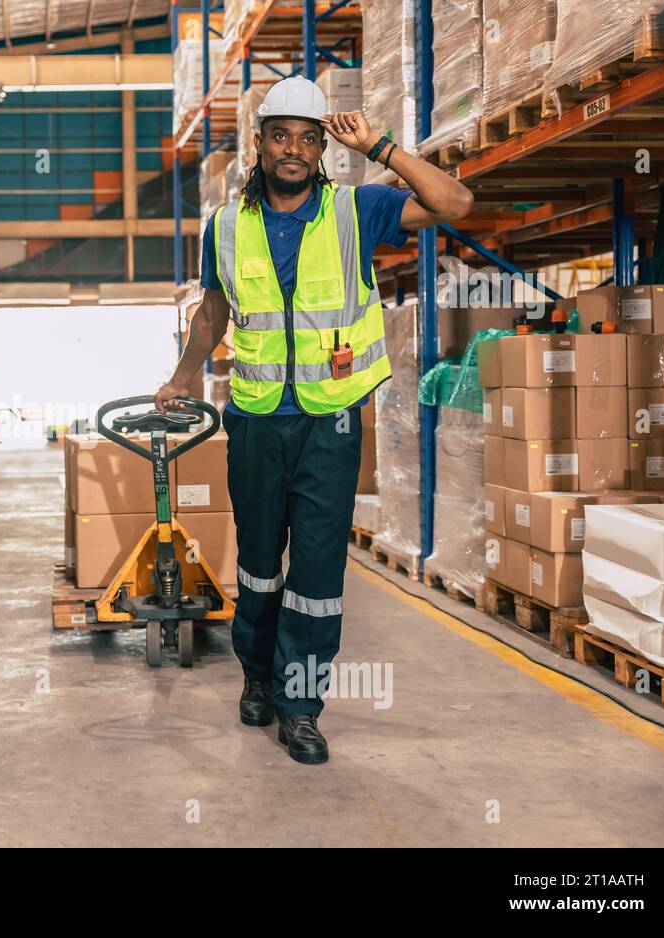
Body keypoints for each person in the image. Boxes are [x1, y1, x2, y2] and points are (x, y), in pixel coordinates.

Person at [155, 76, 474, 765]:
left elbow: (455, 202)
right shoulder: (226, 225)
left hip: (329, 424)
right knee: (261, 566)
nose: (294, 150)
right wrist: (185, 373)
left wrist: (382, 146)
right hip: (256, 421)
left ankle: (301, 707)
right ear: (260, 144)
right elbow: (214, 309)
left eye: (308, 137)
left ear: (322, 147)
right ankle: (257, 676)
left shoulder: (357, 209)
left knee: (320, 575)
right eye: (281, 136)